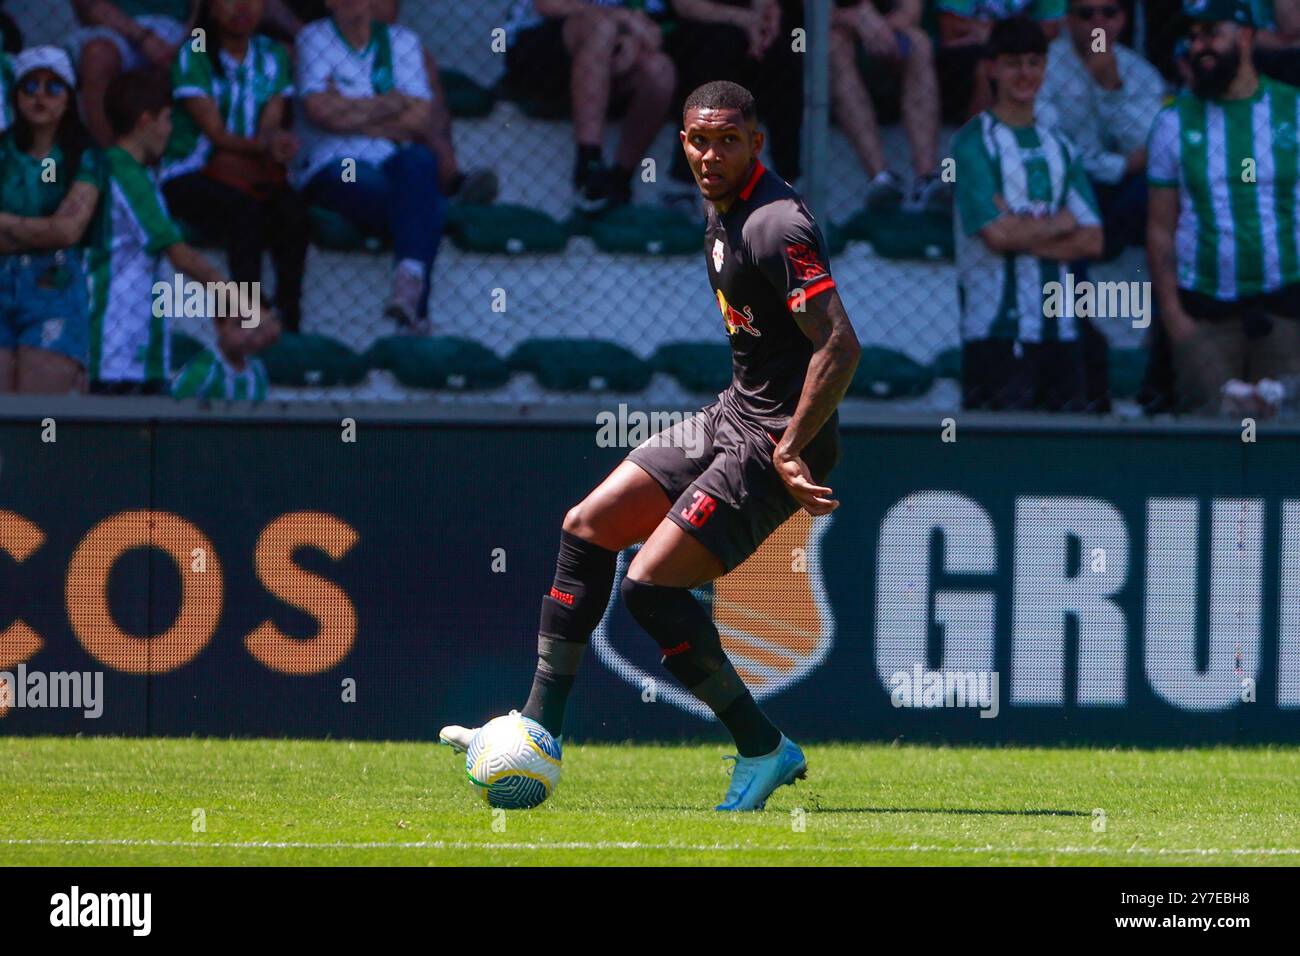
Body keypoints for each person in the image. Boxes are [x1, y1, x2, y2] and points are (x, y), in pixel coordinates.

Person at [439, 81, 862, 812]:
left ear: (756, 144)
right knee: (587, 525)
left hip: (773, 443)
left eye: (728, 140)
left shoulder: (776, 225)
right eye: (698, 140)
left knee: (649, 590)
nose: (709, 154)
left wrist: (792, 446)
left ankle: (763, 749)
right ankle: (538, 727)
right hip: (733, 417)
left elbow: (841, 343)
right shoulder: (719, 204)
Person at [1146, 0, 1300, 414]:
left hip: (1287, 311)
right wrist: (1176, 321)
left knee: (1284, 449)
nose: (1200, 46)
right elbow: (1160, 228)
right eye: (1194, 36)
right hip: (1204, 317)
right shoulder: (1172, 122)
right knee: (1208, 451)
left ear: (1246, 36)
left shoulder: (1294, 110)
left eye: (1212, 33)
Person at [950, 17, 1103, 411]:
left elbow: (1093, 238)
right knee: (996, 463)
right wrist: (1061, 222)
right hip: (995, 332)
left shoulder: (1061, 147)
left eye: (1035, 62)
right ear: (991, 68)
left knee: (1065, 459)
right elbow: (996, 237)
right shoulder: (972, 143)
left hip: (1061, 333)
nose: (1025, 73)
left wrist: (1022, 231)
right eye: (1013, 62)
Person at [84, 69, 264, 393]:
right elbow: (180, 255)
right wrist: (243, 302)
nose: (170, 130)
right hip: (116, 348)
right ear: (144, 121)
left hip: (139, 340)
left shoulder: (138, 173)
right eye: (167, 119)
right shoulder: (123, 170)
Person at [293, 0, 444, 333]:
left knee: (419, 160)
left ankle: (409, 277)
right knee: (423, 204)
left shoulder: (402, 41)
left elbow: (419, 121)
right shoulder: (313, 38)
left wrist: (347, 108)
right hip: (335, 162)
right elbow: (321, 113)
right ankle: (416, 313)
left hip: (391, 159)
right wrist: (389, 104)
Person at [160, 0, 308, 333]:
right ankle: (248, 313)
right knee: (243, 211)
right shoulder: (194, 52)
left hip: (246, 169)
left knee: (294, 212)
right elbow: (215, 134)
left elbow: (270, 124)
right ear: (210, 7)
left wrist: (276, 143)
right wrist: (265, 146)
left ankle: (289, 313)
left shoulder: (273, 54)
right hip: (190, 172)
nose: (242, 6)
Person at [503, 0, 676, 213]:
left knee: (660, 70)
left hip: (613, 49)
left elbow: (652, 25)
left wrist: (631, 37)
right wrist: (622, 18)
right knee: (601, 27)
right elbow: (549, 6)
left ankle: (620, 179)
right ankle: (589, 164)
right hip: (538, 45)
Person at [0, 47, 100, 393]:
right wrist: (44, 231)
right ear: (15, 96)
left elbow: (69, 230)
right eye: (30, 87)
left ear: (69, 98)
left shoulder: (85, 155)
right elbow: (56, 229)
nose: (40, 96)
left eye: (53, 87)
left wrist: (4, 222)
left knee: (40, 413)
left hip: (53, 284)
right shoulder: (2, 150)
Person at [1037, 0, 1165, 259]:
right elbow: (1049, 146)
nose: (1099, 22)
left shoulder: (1142, 73)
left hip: (1120, 191)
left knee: (1154, 184)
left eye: (1109, 12)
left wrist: (1111, 89)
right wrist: (1120, 166)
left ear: (1122, 19)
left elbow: (1147, 145)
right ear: (1069, 20)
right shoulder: (1042, 67)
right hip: (1065, 185)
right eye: (1086, 14)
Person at [664, 0, 804, 197]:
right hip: (695, 31)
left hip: (747, 32)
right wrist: (745, 20)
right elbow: (685, 6)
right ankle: (682, 186)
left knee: (784, 57)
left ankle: (789, 183)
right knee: (719, 49)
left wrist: (764, 22)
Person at [828, 0, 948, 211]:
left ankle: (927, 179)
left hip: (887, 38)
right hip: (836, 40)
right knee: (834, 44)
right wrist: (855, 18)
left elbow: (911, 12)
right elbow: (809, 16)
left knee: (919, 43)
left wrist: (879, 28)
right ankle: (880, 178)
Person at [69, 0, 197, 147]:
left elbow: (200, 10)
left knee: (188, 61)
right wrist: (144, 38)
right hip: (116, 22)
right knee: (97, 57)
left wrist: (187, 39)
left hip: (175, 25)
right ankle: (114, 158)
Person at [935, 0, 1064, 122]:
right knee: (980, 60)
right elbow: (952, 27)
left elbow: (1050, 29)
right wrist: (1013, 33)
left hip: (1020, 46)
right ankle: (980, 131)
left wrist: (992, 32)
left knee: (1036, 56)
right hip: (970, 54)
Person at [171, 307, 276, 400]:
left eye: (257, 327)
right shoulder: (205, 368)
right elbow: (173, 405)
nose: (249, 334)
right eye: (239, 324)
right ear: (220, 323)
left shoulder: (257, 370)